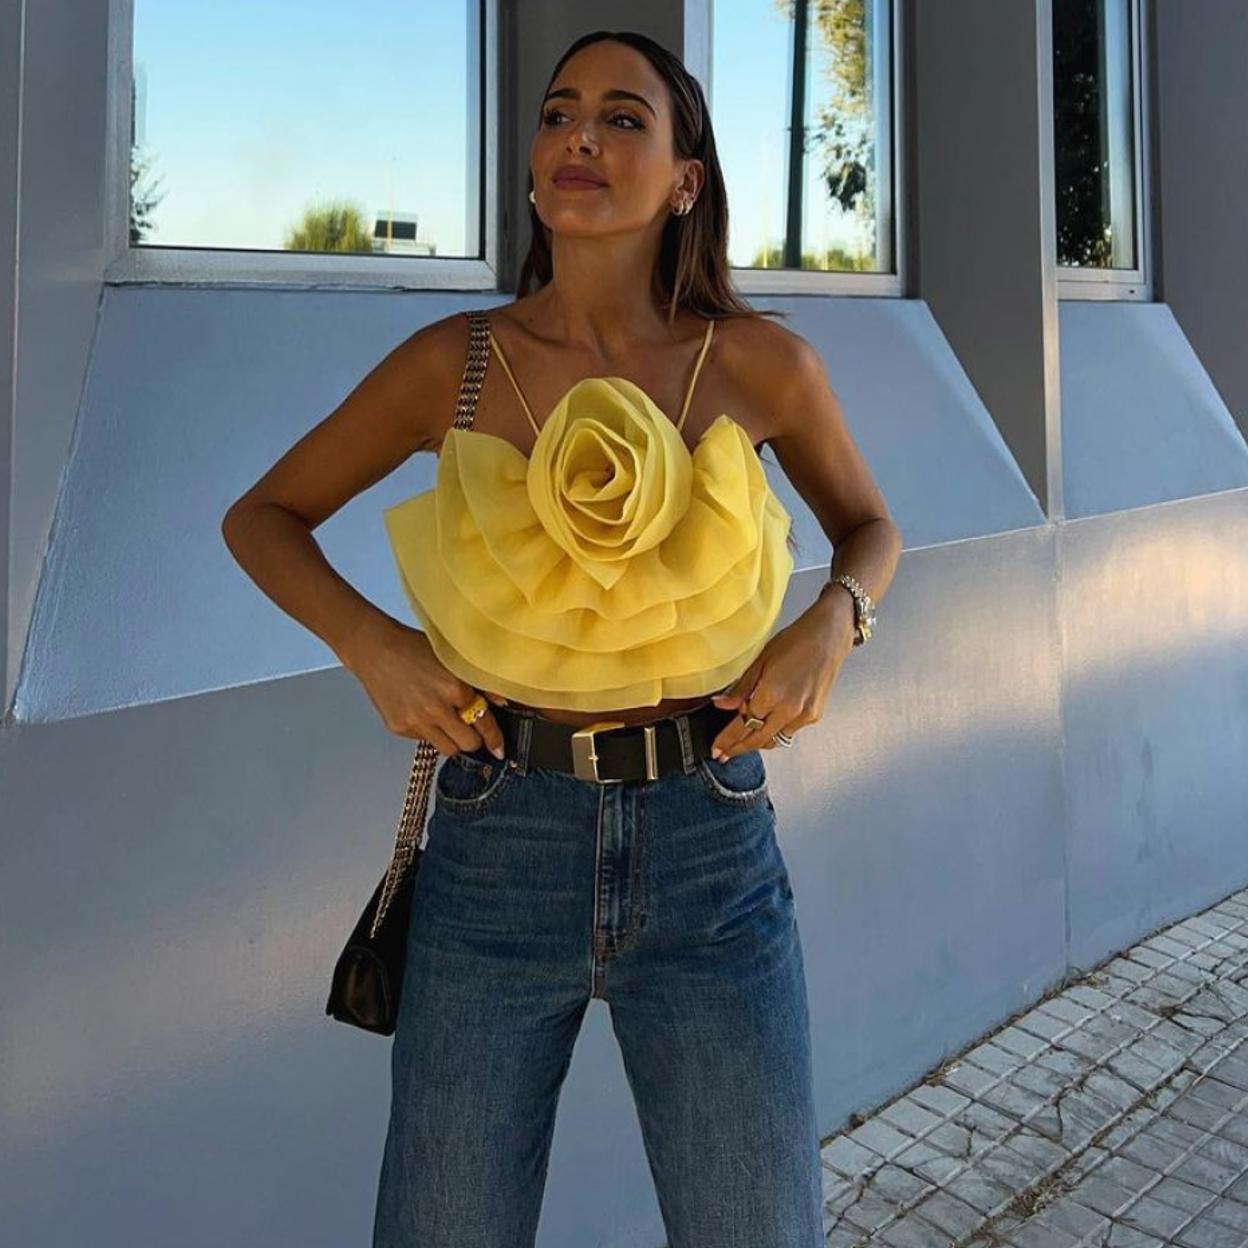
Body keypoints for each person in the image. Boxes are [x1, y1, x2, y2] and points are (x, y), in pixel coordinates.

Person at [222, 27, 901, 1248]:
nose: (579, 135)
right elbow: (262, 518)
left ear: (685, 179)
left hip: (710, 843)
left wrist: (833, 624)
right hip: (497, 841)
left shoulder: (762, 365)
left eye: (622, 117)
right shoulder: (456, 367)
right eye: (557, 113)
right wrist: (375, 648)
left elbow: (871, 530)